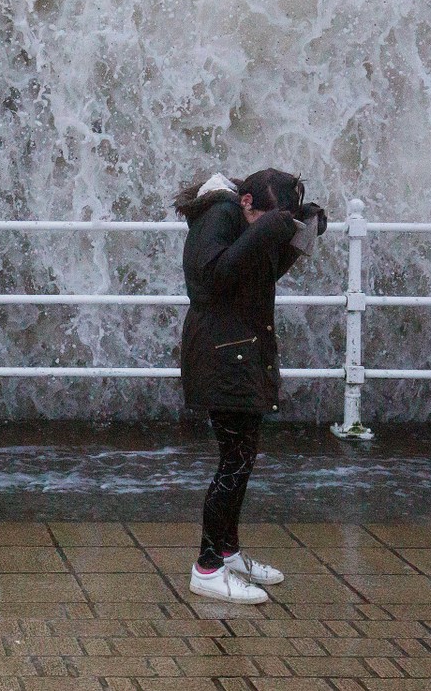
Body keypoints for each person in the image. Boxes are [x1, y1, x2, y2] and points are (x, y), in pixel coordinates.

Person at [174, 169, 327, 604]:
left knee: (240, 458)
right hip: (221, 358)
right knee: (234, 461)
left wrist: (299, 238)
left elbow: (258, 271)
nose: (267, 232)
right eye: (268, 219)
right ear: (245, 202)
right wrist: (269, 232)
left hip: (240, 354)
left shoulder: (239, 221)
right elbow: (208, 279)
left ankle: (227, 552)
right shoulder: (218, 215)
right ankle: (206, 567)